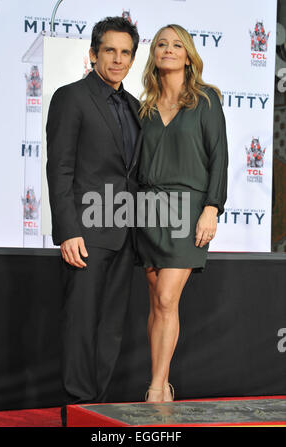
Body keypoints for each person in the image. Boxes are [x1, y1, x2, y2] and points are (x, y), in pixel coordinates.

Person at [46, 17, 142, 408]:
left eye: (125, 53)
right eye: (110, 51)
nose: (117, 60)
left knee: (110, 329)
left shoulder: (136, 106)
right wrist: (68, 230)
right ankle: (75, 407)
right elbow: (60, 169)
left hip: (124, 234)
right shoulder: (70, 97)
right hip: (84, 233)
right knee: (81, 326)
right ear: (93, 53)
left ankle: (96, 408)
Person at [137, 24, 228, 403]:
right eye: (162, 44)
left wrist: (212, 207)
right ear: (154, 55)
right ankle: (162, 381)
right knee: (157, 299)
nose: (169, 50)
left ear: (189, 55)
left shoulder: (206, 100)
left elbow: (219, 157)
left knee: (166, 299)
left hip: (188, 209)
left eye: (177, 45)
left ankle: (157, 386)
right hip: (147, 211)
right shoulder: (142, 108)